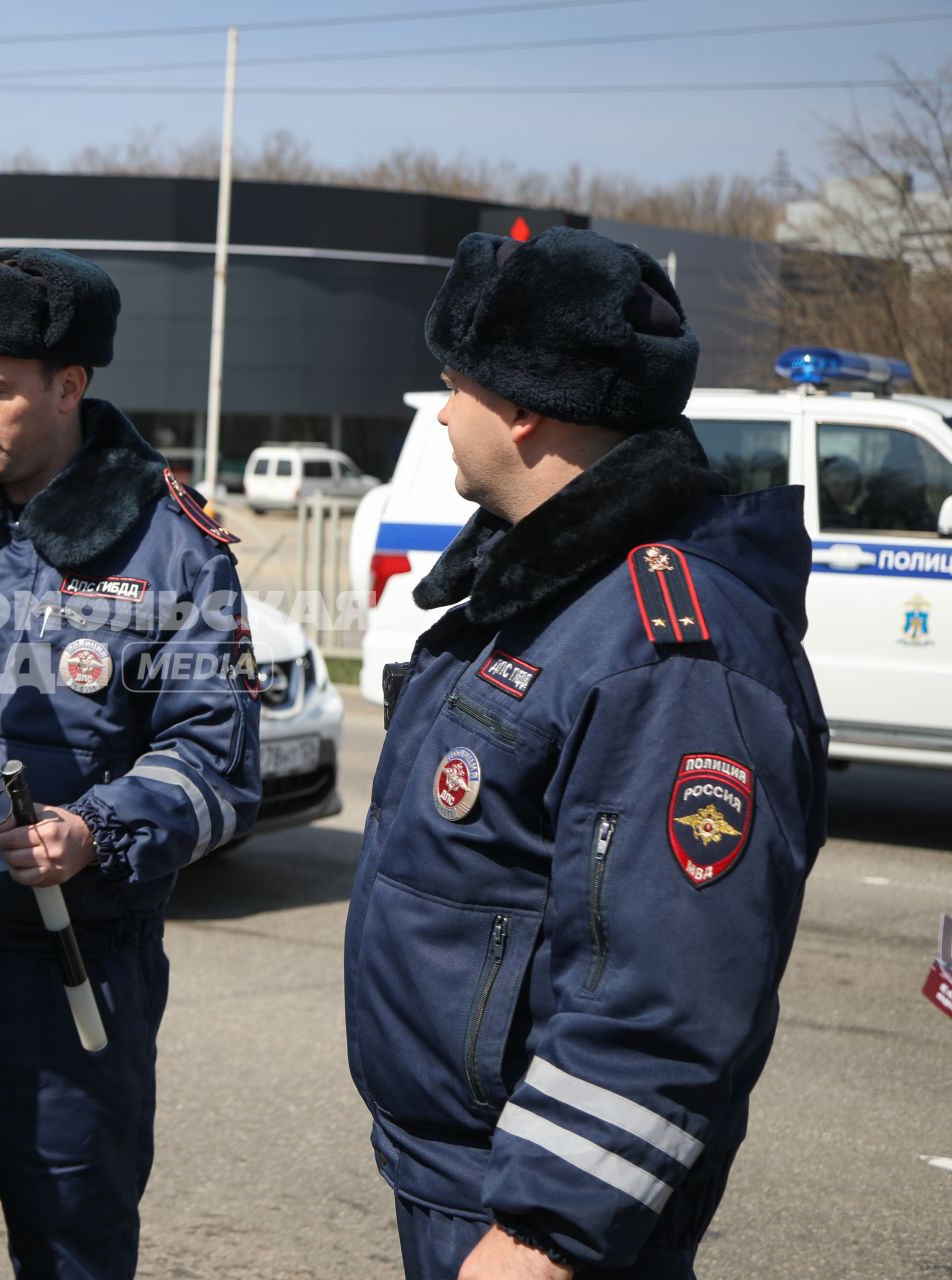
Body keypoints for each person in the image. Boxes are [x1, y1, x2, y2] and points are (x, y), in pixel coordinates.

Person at [345, 228, 827, 1279]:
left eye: (454, 385)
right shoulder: (553, 593)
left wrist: (544, 1230)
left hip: (541, 1218)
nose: (443, 414)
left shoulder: (670, 655)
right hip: (465, 1179)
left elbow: (673, 990)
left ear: (522, 408)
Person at [0, 248, 258, 1277]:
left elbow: (217, 767)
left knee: (73, 1253)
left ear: (70, 385)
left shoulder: (173, 551)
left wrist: (96, 829)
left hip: (70, 979)